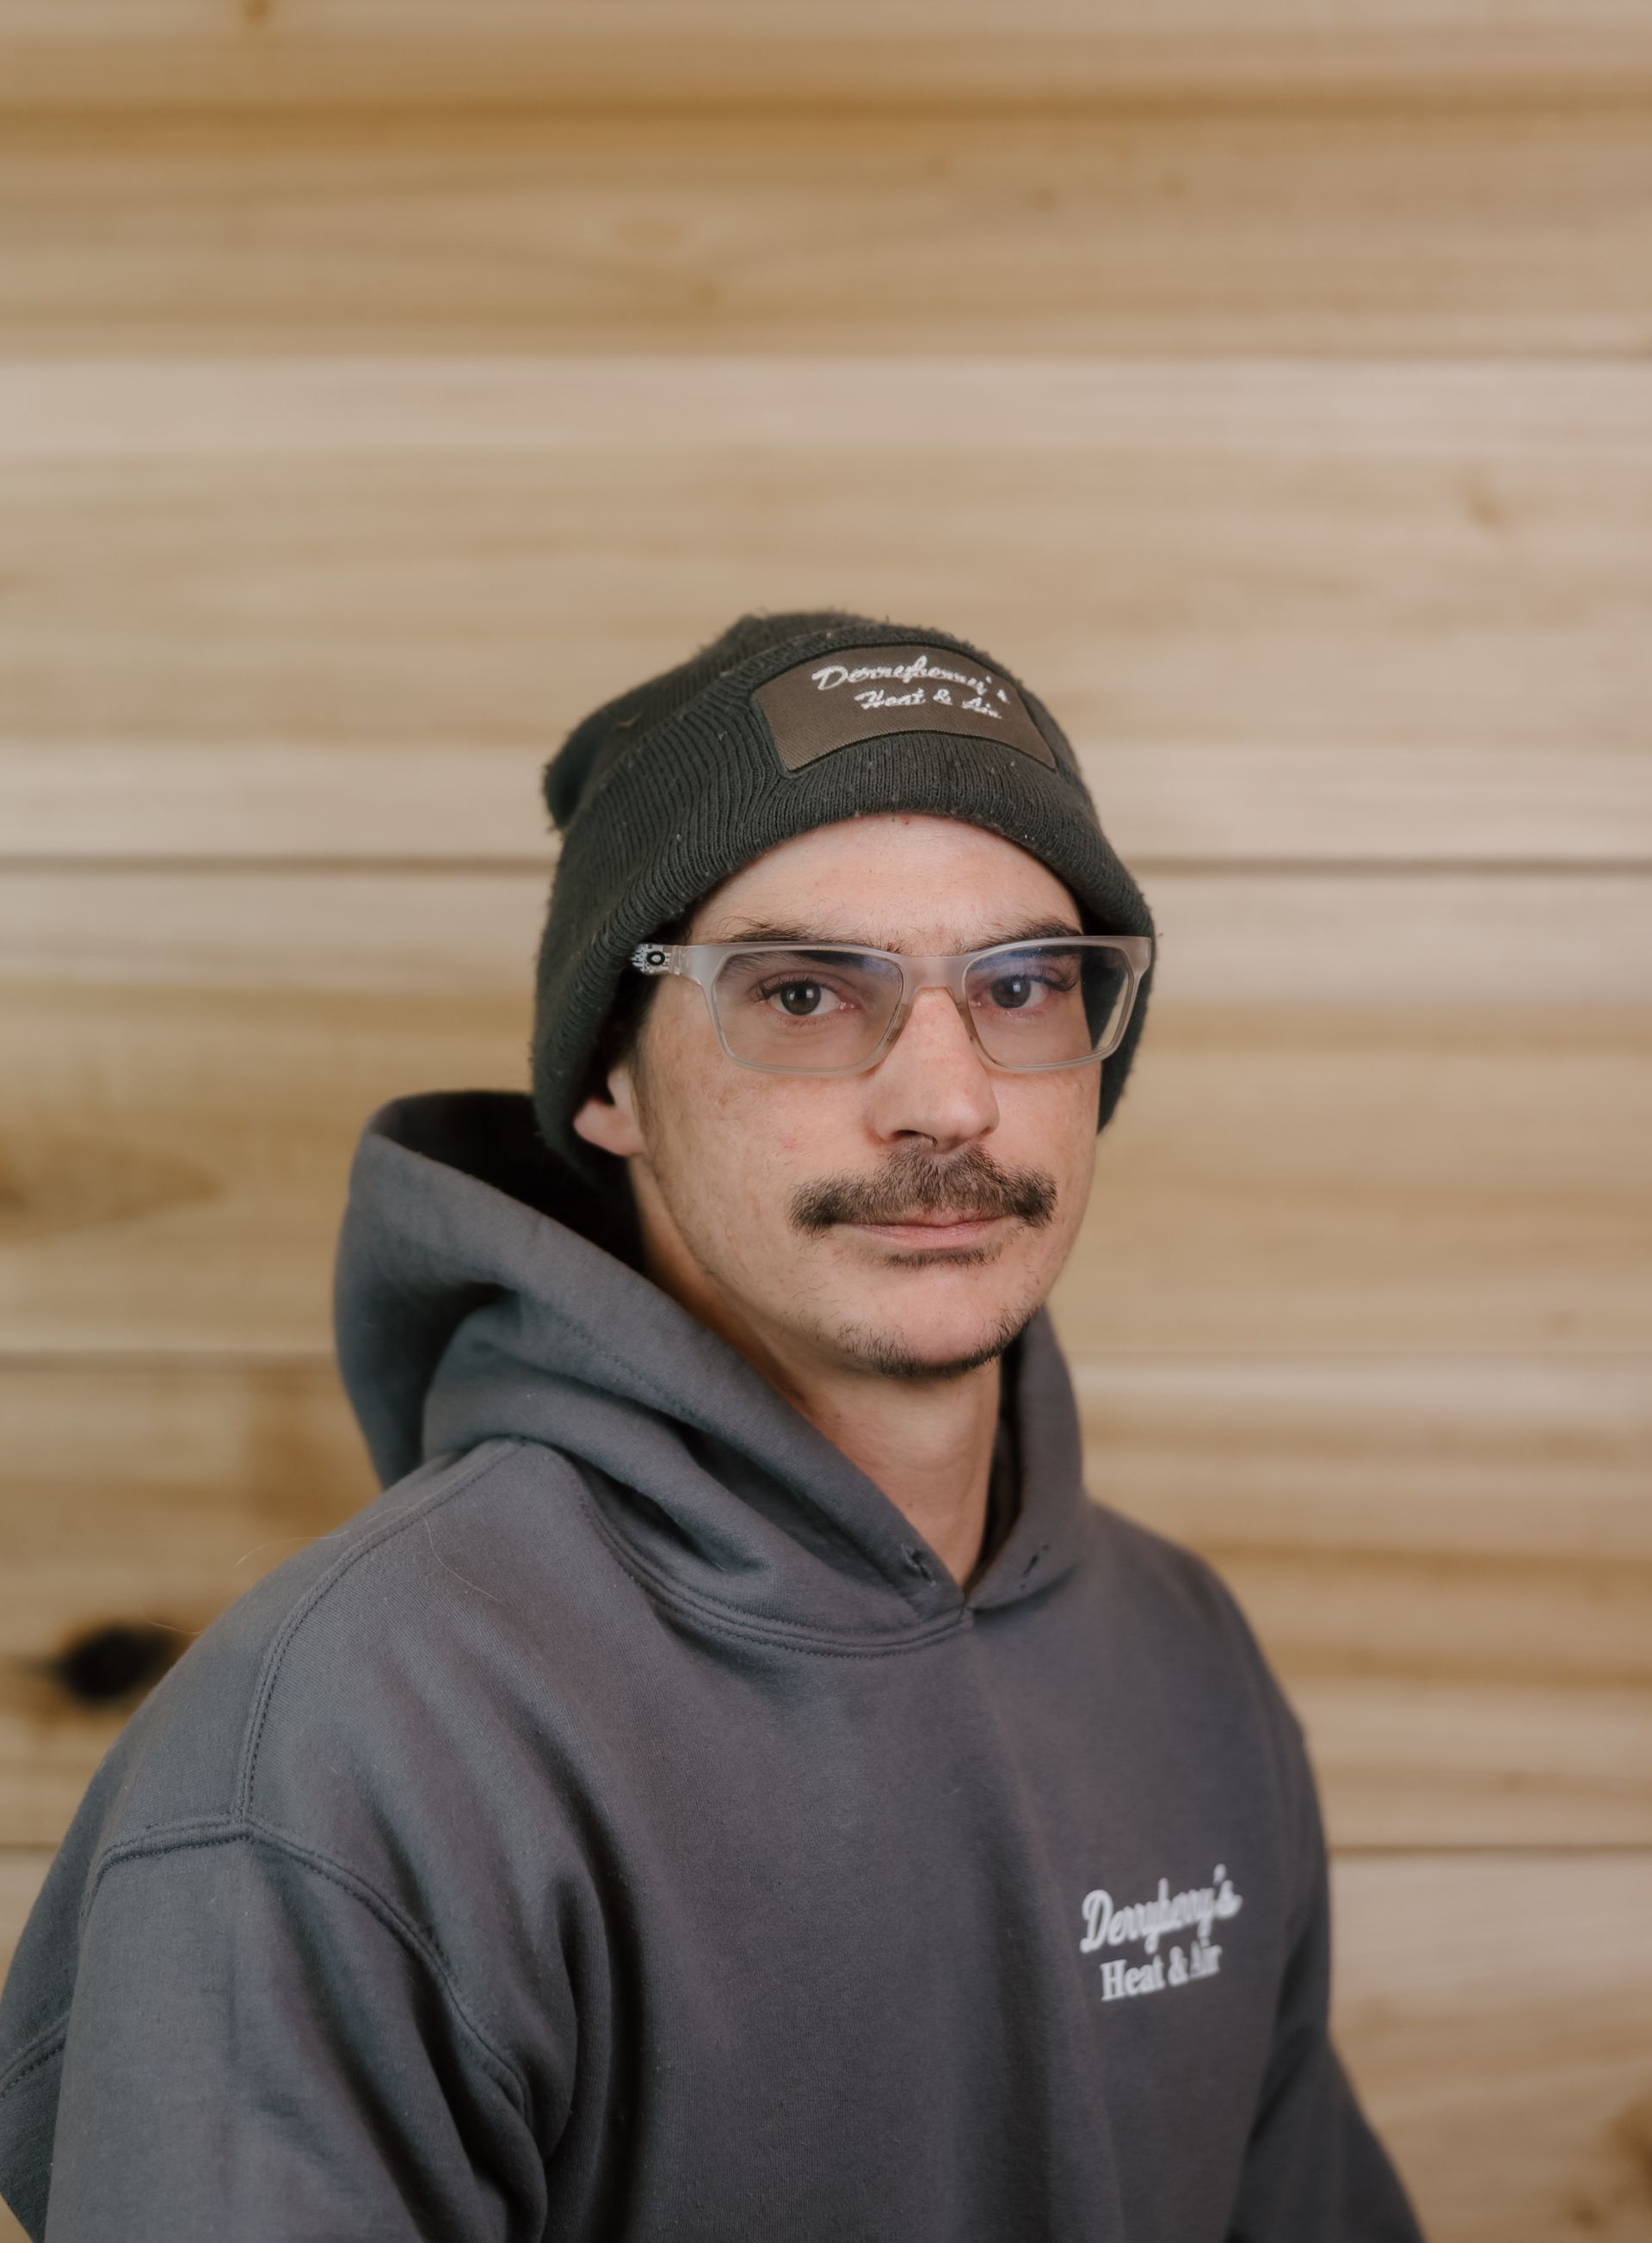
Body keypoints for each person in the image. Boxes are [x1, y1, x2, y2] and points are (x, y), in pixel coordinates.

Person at [0, 611, 1426, 2240]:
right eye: (809, 993)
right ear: (611, 1074)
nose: (946, 1099)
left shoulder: (1182, 1661)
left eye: (1023, 985)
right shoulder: (351, 1741)